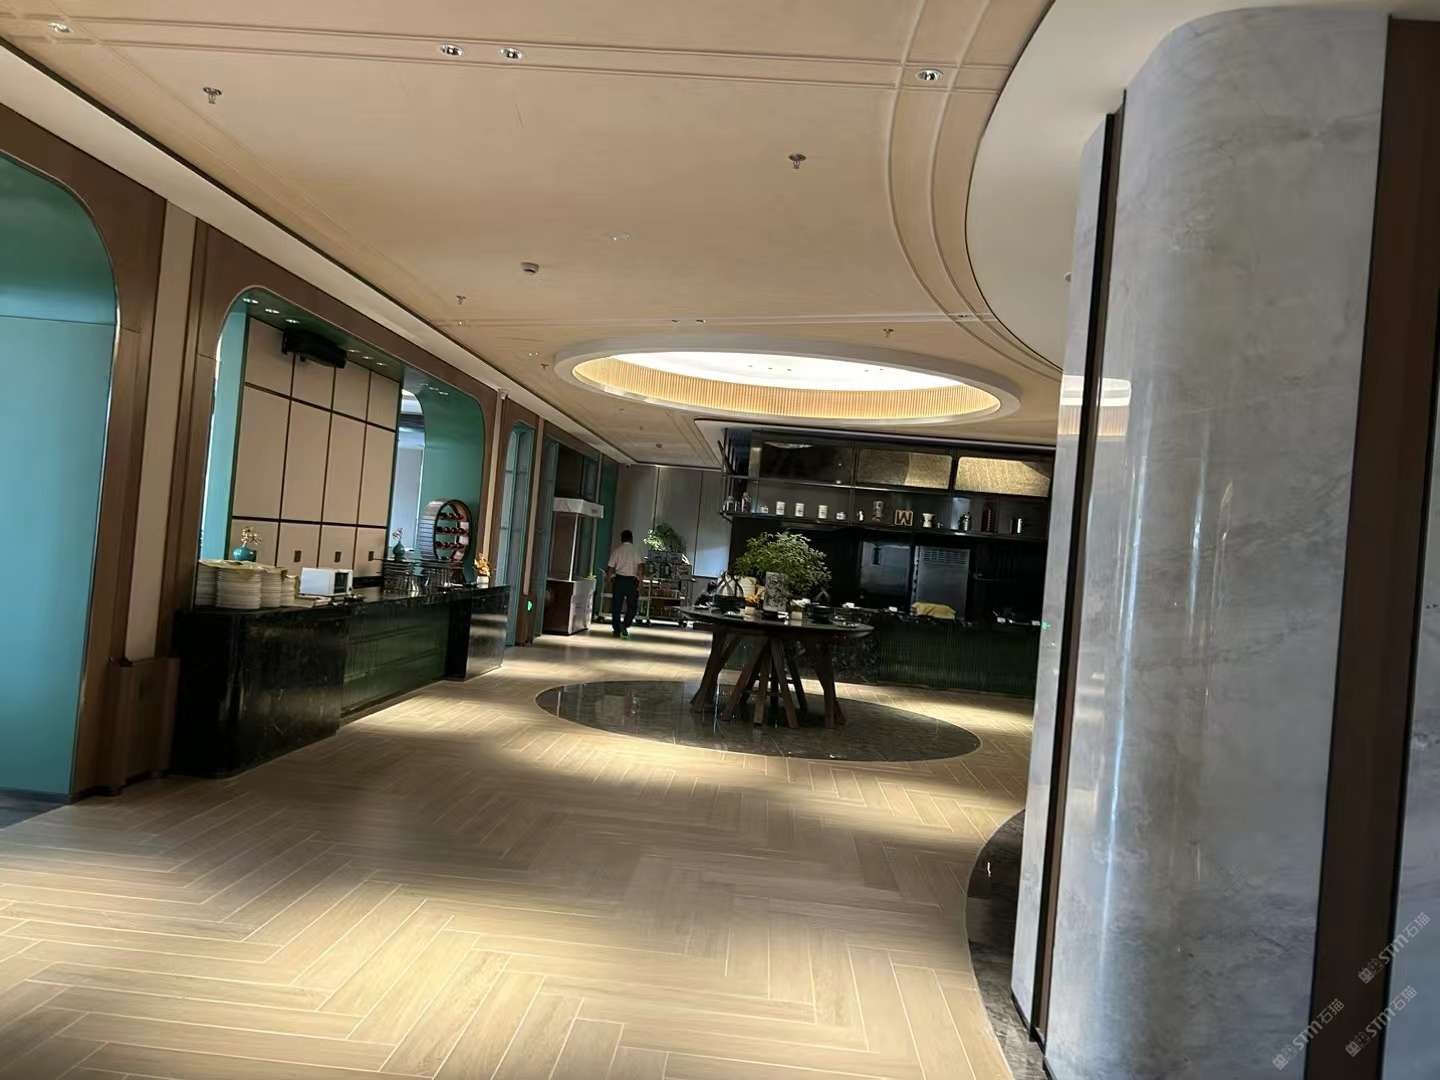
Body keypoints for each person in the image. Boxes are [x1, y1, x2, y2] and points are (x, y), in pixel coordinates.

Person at [606, 529, 642, 638]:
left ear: (621, 539)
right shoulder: (636, 551)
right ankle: (625, 624)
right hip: (632, 582)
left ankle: (616, 629)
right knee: (632, 606)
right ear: (631, 539)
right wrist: (640, 582)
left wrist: (609, 580)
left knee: (616, 606)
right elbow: (641, 567)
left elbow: (610, 568)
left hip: (619, 581)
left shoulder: (617, 550)